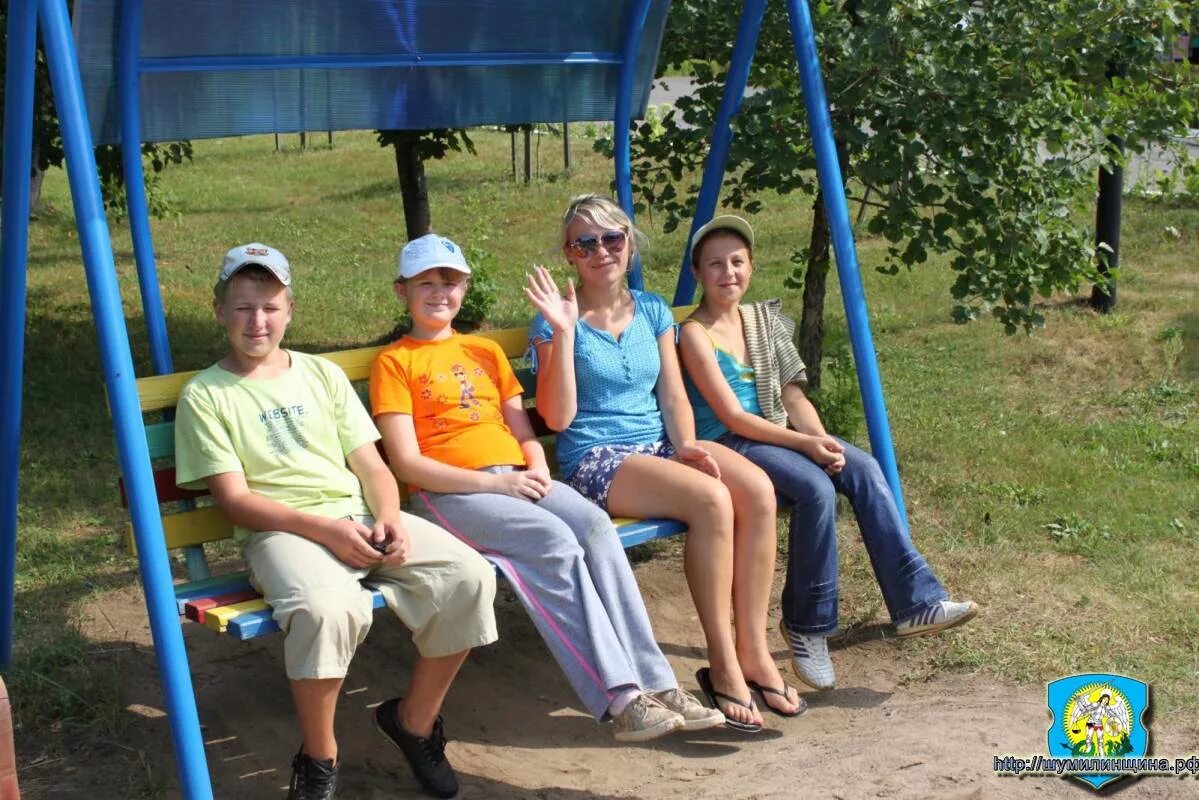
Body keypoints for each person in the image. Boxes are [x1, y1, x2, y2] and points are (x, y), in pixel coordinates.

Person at [371, 234, 724, 744]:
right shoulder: (395, 362)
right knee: (553, 542)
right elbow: (408, 462)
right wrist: (499, 482)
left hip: (516, 476)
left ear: (465, 290)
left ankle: (659, 683)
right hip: (449, 495)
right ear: (402, 291)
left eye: (450, 282)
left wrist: (532, 465)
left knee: (595, 527)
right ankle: (619, 698)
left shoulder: (484, 351)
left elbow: (523, 430)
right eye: (426, 282)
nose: (439, 292)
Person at [174, 243, 498, 800]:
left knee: (469, 576)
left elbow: (372, 464)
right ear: (219, 310)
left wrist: (392, 517)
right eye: (244, 307)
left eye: (271, 307)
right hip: (282, 531)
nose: (258, 321)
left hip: (363, 516)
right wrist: (325, 531)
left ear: (290, 310)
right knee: (328, 608)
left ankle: (414, 723)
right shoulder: (206, 394)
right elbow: (235, 500)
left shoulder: (321, 375)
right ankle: (320, 757)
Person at [524, 195, 804, 733]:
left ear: (629, 244)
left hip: (658, 444)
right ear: (569, 255)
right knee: (711, 500)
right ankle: (722, 665)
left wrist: (687, 445)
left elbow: (673, 395)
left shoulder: (651, 309)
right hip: (598, 457)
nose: (601, 250)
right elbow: (558, 419)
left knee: (758, 492)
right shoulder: (555, 318)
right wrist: (561, 332)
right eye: (586, 242)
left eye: (612, 238)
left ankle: (755, 649)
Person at [676, 215, 979, 692]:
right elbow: (732, 417)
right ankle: (806, 624)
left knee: (860, 466)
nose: (727, 273)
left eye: (737, 262)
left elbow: (793, 397)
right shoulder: (695, 333)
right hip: (731, 444)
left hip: (776, 434)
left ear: (751, 267)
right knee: (816, 489)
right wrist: (805, 447)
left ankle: (916, 600)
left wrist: (823, 442)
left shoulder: (763, 321)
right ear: (698, 273)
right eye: (714, 264)